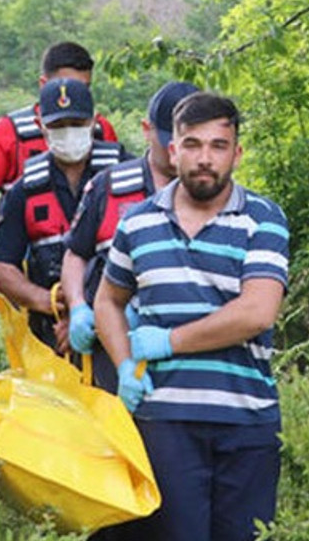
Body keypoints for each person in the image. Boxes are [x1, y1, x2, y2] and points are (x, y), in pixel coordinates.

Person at [94, 92, 291, 541]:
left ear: (236, 153)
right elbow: (108, 300)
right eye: (193, 144)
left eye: (218, 146)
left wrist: (168, 341)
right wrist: (124, 362)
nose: (205, 158)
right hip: (164, 424)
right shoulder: (137, 223)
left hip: (247, 422)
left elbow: (257, 312)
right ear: (172, 149)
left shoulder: (263, 220)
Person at [61, 80, 200, 391]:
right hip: (115, 344)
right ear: (146, 129)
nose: (175, 152)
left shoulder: (214, 193)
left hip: (191, 350)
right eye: (168, 141)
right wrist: (78, 306)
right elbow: (76, 253)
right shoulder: (108, 187)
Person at [0, 77, 129, 353]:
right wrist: (50, 302)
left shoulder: (126, 176)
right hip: (50, 335)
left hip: (123, 324)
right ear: (41, 127)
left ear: (94, 122)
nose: (68, 133)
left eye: (76, 124)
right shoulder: (24, 189)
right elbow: (2, 268)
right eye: (58, 126)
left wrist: (92, 312)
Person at [0, 41, 118, 238]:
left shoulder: (101, 130)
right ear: (43, 84)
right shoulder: (8, 132)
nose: (74, 95)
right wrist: (11, 244)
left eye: (83, 88)